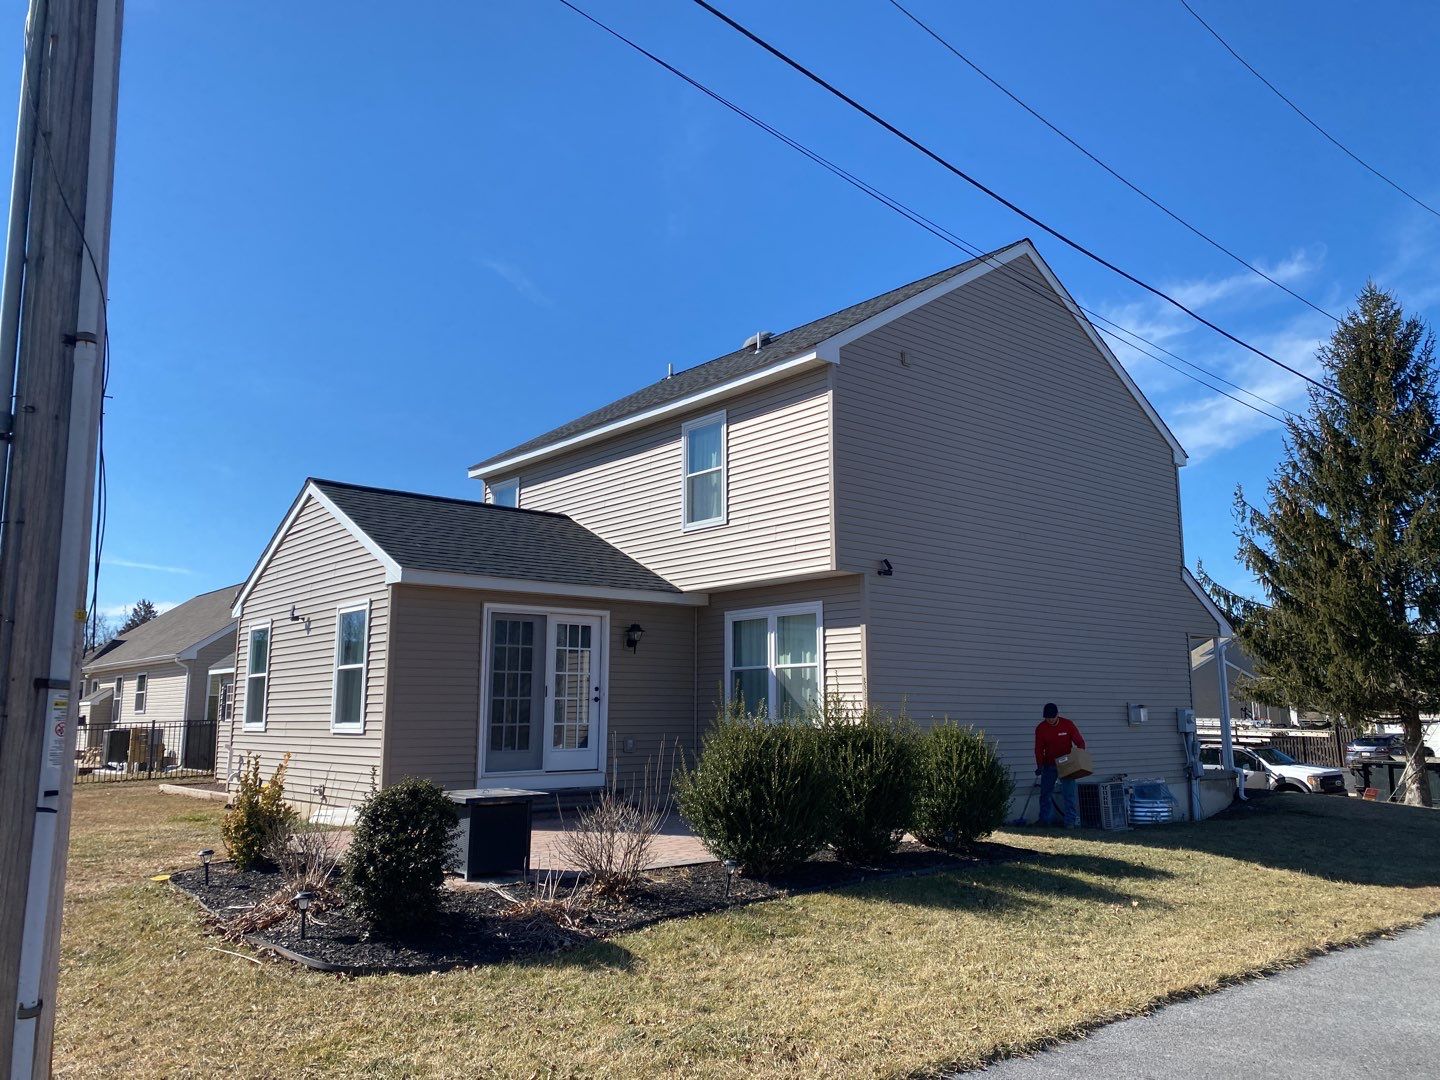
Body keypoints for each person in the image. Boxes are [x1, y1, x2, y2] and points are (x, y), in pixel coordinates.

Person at [1034, 702, 1085, 827]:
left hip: (1067, 764)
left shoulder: (1067, 725)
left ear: (1057, 715)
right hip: (1049, 764)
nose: (1050, 720)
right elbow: (1038, 749)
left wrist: (1077, 758)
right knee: (1045, 793)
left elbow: (1080, 743)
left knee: (1069, 793)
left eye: (1052, 717)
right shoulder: (1041, 728)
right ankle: (1044, 821)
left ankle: (1070, 822)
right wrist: (1039, 765)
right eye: (1047, 718)